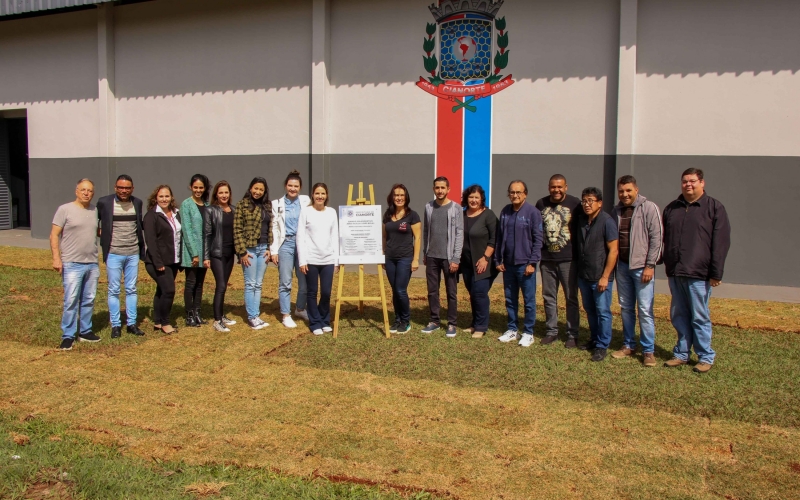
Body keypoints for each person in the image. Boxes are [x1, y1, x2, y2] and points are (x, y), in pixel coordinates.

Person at [662, 168, 730, 373]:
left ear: (702, 183)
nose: (688, 185)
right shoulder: (672, 208)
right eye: (685, 181)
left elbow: (721, 243)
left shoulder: (714, 208)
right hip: (676, 271)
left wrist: (716, 273)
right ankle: (681, 354)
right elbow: (664, 238)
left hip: (699, 273)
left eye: (692, 181)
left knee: (699, 316)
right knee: (679, 315)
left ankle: (705, 356)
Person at [612, 175, 663, 367]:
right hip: (622, 267)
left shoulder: (649, 208)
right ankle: (628, 344)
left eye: (628, 190)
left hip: (642, 268)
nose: (625, 194)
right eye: (621, 191)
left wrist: (650, 265)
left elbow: (657, 238)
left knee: (644, 309)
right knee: (626, 308)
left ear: (636, 190)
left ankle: (648, 350)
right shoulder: (616, 211)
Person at [51, 179, 102, 350]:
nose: (86, 193)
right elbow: (54, 235)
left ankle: (85, 331)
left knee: (88, 299)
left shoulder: (94, 210)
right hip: (72, 263)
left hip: (92, 263)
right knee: (71, 300)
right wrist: (56, 258)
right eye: (83, 190)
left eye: (90, 191)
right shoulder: (65, 209)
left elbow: (96, 231)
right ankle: (68, 335)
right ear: (76, 191)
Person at [96, 174, 146, 338]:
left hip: (132, 253)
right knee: (114, 289)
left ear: (132, 189)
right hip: (114, 253)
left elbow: (138, 224)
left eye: (127, 188)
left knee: (131, 289)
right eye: (121, 187)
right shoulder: (104, 202)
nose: (124, 191)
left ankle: (132, 323)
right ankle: (116, 325)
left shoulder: (137, 203)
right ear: (115, 188)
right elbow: (94, 220)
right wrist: (101, 233)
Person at [495, 180, 543, 347]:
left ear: (525, 194)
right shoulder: (505, 211)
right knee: (510, 299)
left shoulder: (533, 213)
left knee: (528, 301)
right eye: (512, 192)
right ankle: (512, 329)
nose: (515, 195)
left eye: (518, 192)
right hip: (508, 264)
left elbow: (538, 240)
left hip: (525, 265)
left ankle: (528, 332)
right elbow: (500, 237)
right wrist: (498, 259)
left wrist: (532, 262)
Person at [535, 174, 581, 348]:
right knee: (548, 297)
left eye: (560, 187)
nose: (556, 190)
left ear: (566, 187)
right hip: (547, 259)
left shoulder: (575, 204)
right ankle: (551, 331)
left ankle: (572, 334)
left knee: (571, 297)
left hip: (568, 259)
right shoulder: (541, 204)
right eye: (553, 187)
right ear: (549, 187)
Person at [575, 187, 618, 362]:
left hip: (600, 277)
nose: (587, 204)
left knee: (603, 312)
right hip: (584, 275)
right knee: (590, 310)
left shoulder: (607, 222)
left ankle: (602, 345)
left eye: (591, 201)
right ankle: (594, 339)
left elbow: (614, 250)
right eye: (584, 201)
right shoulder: (582, 221)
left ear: (600, 203)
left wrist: (605, 277)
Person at [421, 177, 464, 337]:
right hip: (432, 256)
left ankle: (452, 323)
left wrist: (456, 258)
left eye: (443, 188)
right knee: (432, 291)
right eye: (437, 187)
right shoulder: (428, 207)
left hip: (449, 258)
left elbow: (459, 233)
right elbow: (426, 231)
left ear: (448, 189)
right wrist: (425, 252)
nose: (440, 191)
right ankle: (434, 321)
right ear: (433, 189)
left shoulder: (456, 208)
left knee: (451, 292)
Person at [270, 170, 311, 328]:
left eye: (296, 186)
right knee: (285, 281)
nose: (293, 188)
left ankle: (300, 308)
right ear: (285, 186)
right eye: (290, 185)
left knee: (304, 282)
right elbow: (274, 228)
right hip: (285, 244)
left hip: (302, 244)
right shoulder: (276, 204)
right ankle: (285, 315)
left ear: (300, 187)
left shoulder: (306, 201)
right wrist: (274, 251)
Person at [297, 183, 339, 335]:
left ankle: (324, 320)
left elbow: (335, 236)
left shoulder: (332, 212)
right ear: (312, 195)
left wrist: (336, 261)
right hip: (311, 259)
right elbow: (300, 237)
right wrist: (302, 260)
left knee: (326, 292)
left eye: (323, 194)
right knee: (312, 292)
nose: (320, 196)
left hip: (328, 260)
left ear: (326, 195)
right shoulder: (306, 212)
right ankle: (315, 322)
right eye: (317, 193)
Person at [459, 185, 498, 339]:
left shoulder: (488, 215)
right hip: (467, 263)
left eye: (477, 197)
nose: (474, 200)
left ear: (482, 199)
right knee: (473, 294)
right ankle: (475, 323)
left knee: (480, 293)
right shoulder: (462, 215)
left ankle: (481, 326)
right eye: (471, 197)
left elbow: (494, 238)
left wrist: (485, 258)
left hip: (484, 263)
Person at [143, 185, 182, 335]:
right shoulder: (151, 216)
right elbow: (151, 242)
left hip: (173, 261)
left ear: (171, 197)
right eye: (161, 196)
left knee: (161, 290)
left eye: (167, 196)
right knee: (169, 290)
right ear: (155, 198)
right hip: (157, 262)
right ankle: (166, 323)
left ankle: (158, 321)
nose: (164, 199)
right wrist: (158, 262)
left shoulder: (176, 213)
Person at [382, 183, 421, 334]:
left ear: (406, 197)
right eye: (396, 195)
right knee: (394, 290)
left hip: (405, 258)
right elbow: (384, 236)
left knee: (400, 290)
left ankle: (405, 321)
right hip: (390, 259)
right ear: (392, 197)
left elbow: (417, 238)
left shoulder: (412, 215)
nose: (399, 198)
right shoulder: (387, 215)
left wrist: (415, 259)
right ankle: (397, 320)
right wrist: (383, 254)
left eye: (401, 195)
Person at [234, 177, 272, 330]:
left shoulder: (267, 205)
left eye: (261, 189)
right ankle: (252, 317)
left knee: (258, 283)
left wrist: (269, 247)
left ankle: (256, 315)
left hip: (263, 249)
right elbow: (237, 229)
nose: (258, 192)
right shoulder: (242, 205)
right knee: (250, 284)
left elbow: (269, 227)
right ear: (250, 188)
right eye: (256, 188)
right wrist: (242, 252)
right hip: (249, 249)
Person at [202, 181, 238, 333]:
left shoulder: (233, 210)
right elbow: (207, 234)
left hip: (230, 253)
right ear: (216, 194)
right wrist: (206, 256)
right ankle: (217, 321)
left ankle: (221, 315)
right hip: (217, 253)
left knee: (224, 285)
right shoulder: (210, 210)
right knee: (221, 285)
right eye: (221, 192)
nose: (224, 195)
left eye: (226, 192)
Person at [180, 174, 210, 327]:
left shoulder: (207, 205)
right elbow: (187, 230)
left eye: (201, 187)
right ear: (190, 187)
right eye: (195, 187)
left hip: (204, 252)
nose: (198, 190)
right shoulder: (186, 204)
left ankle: (197, 312)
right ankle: (189, 314)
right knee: (191, 282)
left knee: (199, 284)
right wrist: (195, 254)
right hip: (192, 252)